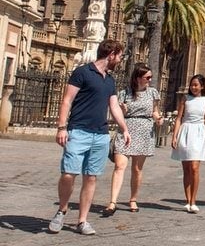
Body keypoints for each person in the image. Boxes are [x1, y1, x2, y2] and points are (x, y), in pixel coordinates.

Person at [48, 39, 130, 236]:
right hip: (78, 131)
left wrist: (124, 128)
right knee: (68, 173)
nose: (120, 60)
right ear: (111, 55)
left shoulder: (109, 80)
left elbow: (114, 106)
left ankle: (82, 221)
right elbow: (67, 100)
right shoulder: (82, 72)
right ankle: (62, 209)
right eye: (119, 56)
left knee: (91, 177)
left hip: (100, 135)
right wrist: (62, 127)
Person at [102, 63, 162, 216]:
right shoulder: (124, 93)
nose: (150, 79)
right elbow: (116, 113)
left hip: (144, 131)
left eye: (151, 77)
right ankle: (113, 202)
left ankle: (133, 199)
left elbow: (155, 112)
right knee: (119, 166)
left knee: (137, 169)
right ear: (137, 77)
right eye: (147, 77)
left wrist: (158, 119)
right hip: (126, 130)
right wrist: (122, 111)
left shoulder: (153, 93)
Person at [171, 74, 205, 213]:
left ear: (202, 86)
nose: (193, 87)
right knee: (186, 168)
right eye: (192, 85)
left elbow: (204, 119)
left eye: (196, 85)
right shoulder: (185, 99)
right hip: (185, 131)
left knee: (194, 167)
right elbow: (179, 118)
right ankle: (187, 201)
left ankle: (194, 200)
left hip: (198, 133)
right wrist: (174, 136)